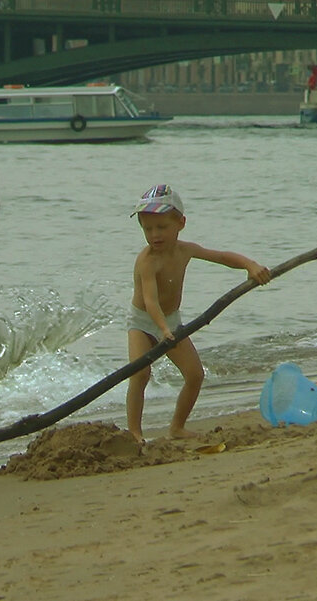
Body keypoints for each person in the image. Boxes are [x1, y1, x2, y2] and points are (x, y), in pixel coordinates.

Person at [125, 184, 271, 443]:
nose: (154, 235)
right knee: (140, 374)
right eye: (147, 229)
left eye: (161, 227)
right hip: (143, 321)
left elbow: (221, 256)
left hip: (169, 321)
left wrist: (250, 265)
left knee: (194, 375)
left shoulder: (186, 250)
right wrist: (163, 330)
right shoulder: (146, 260)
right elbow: (150, 301)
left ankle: (177, 427)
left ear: (180, 223)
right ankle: (134, 433)